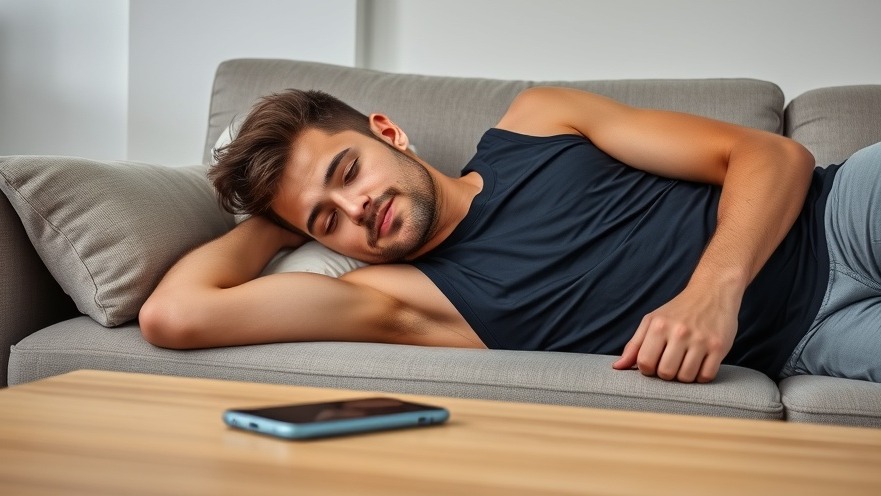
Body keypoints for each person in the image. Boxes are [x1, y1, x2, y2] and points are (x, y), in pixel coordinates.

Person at [139, 86, 881, 384]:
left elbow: (770, 154)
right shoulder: (406, 299)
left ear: (388, 132)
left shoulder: (538, 120)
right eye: (324, 218)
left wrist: (712, 292)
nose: (355, 208)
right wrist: (273, 224)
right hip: (813, 339)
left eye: (346, 171)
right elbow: (174, 316)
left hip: (840, 208)